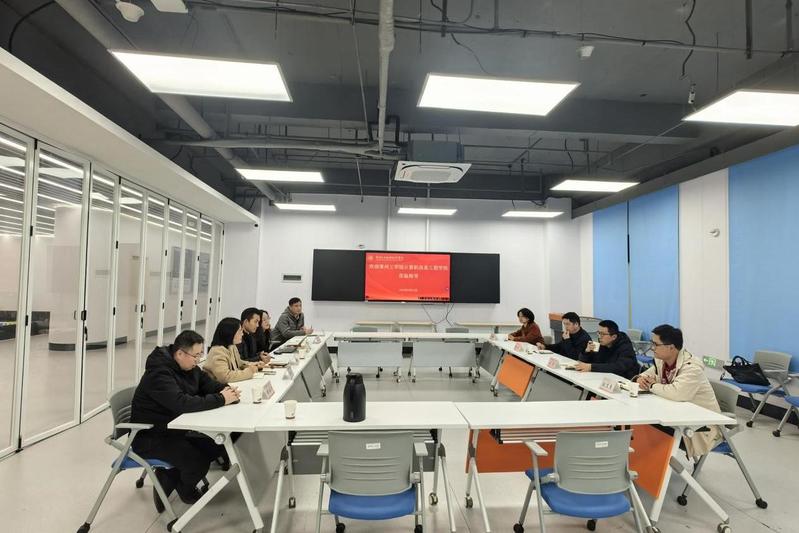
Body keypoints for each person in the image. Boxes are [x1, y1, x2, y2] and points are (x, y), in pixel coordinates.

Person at [130, 330, 240, 511]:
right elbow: (181, 403)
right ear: (180, 353)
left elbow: (208, 385)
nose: (198, 360)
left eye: (200, 354)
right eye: (195, 355)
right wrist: (221, 399)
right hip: (151, 436)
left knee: (218, 444)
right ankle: (184, 489)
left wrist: (227, 390)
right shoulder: (159, 373)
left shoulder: (189, 367)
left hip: (175, 429)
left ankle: (169, 477)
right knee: (197, 461)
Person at [634, 324, 723, 458]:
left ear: (671, 347)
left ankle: (654, 464)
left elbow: (676, 393)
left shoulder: (692, 368)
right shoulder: (662, 361)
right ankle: (649, 463)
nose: (652, 348)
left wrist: (652, 385)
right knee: (644, 421)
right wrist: (640, 379)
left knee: (648, 425)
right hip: (677, 417)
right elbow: (647, 375)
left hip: (700, 427)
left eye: (655, 344)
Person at [204, 318, 267, 384]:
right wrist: (250, 371)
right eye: (240, 331)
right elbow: (225, 377)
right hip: (218, 388)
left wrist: (253, 365)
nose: (242, 334)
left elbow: (239, 363)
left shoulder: (231, 346)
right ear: (230, 333)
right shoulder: (217, 351)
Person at [574, 319, 639, 379]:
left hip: (626, 380)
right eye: (599, 333)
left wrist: (591, 367)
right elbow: (585, 362)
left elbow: (618, 367)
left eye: (603, 334)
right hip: (605, 378)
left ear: (614, 337)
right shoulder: (603, 344)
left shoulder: (625, 347)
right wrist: (586, 352)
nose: (599, 337)